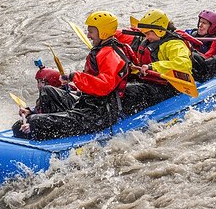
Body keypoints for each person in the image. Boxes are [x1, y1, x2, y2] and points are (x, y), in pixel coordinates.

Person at [12, 11, 134, 140]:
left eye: (91, 32)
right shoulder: (101, 50)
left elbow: (104, 86)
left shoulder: (110, 55)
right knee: (47, 91)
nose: (88, 35)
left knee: (30, 123)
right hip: (86, 104)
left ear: (103, 32)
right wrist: (33, 111)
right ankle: (39, 115)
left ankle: (40, 128)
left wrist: (74, 77)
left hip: (98, 115)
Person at [121, 9, 193, 115]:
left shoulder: (174, 44)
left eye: (148, 33)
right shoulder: (150, 41)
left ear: (159, 30)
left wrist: (152, 67)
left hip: (170, 87)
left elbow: (184, 64)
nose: (146, 37)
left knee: (131, 93)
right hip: (151, 81)